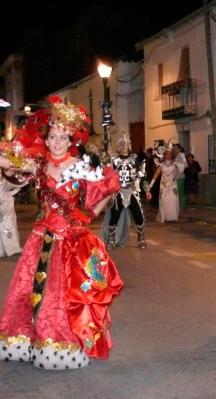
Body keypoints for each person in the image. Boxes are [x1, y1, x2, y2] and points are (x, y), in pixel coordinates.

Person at [0, 97, 123, 369]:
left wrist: (90, 214)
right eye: (53, 136)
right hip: (41, 237)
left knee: (65, 294)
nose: (56, 142)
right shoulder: (39, 164)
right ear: (47, 138)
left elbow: (110, 186)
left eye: (62, 137)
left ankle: (61, 343)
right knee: (28, 290)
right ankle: (27, 340)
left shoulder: (82, 167)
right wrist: (16, 149)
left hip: (71, 239)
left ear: (71, 140)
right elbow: (7, 165)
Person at [102, 130, 148, 249]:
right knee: (115, 215)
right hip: (118, 191)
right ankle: (111, 240)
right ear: (118, 146)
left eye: (126, 144)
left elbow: (141, 175)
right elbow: (107, 174)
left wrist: (147, 190)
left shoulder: (134, 159)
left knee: (138, 215)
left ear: (129, 145)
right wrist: (108, 160)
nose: (124, 147)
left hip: (132, 190)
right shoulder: (114, 160)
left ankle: (141, 238)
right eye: (122, 144)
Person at [147, 146, 185, 223]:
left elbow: (181, 170)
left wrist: (175, 177)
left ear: (172, 155)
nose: (168, 155)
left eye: (169, 154)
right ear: (164, 155)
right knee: (163, 201)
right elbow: (156, 175)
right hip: (163, 186)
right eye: (166, 154)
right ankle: (163, 217)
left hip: (172, 185)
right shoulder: (161, 165)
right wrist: (150, 185)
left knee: (173, 200)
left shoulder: (176, 164)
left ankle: (172, 217)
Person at [0, 170, 28, 257]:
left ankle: (11, 248)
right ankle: (8, 249)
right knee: (6, 224)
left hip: (4, 200)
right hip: (4, 200)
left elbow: (7, 184)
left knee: (7, 224)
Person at [172, 143, 187, 210]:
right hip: (176, 176)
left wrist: (179, 167)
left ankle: (182, 207)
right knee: (177, 192)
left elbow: (186, 165)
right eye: (174, 148)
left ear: (179, 149)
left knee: (180, 192)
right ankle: (179, 206)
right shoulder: (176, 156)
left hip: (180, 176)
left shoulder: (181, 154)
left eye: (176, 148)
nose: (174, 149)